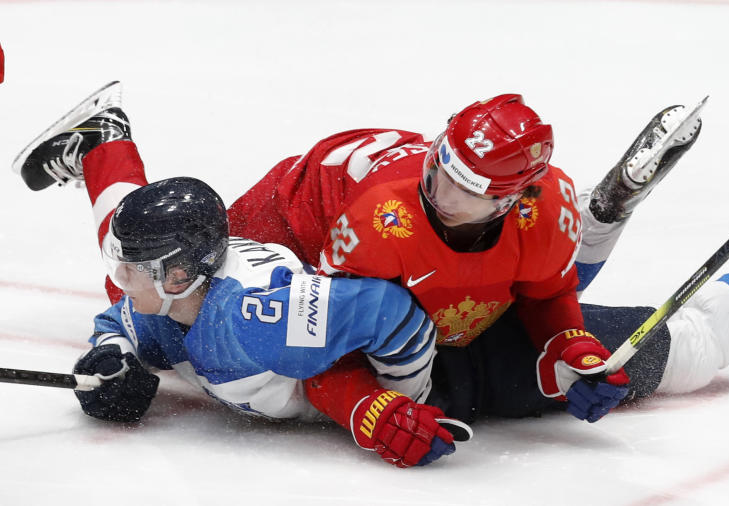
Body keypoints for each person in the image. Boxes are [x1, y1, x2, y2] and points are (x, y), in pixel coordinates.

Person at [14, 82, 729, 435]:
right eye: (444, 166)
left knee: (656, 345)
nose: (444, 186)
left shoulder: (517, 214)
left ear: (516, 188)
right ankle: (105, 137)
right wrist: (117, 353)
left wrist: (389, 399)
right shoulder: (371, 224)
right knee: (122, 250)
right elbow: (348, 323)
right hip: (306, 214)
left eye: (471, 181)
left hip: (381, 283)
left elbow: (410, 320)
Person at [13, 86, 473, 468]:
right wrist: (112, 361)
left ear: (177, 278)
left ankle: (102, 143)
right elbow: (119, 322)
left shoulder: (256, 317)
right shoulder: (175, 297)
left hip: (324, 208)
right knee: (135, 261)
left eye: (132, 265)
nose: (120, 274)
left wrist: (400, 401)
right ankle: (103, 143)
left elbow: (387, 313)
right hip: (292, 231)